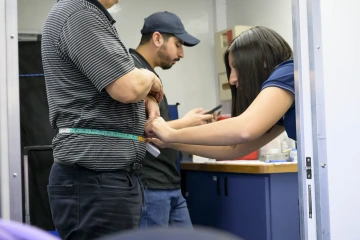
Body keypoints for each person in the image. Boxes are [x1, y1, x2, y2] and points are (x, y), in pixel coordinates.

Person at [41, 0, 164, 239]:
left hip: (102, 180)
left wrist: (144, 90)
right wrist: (150, 77)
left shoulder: (83, 14)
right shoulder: (79, 13)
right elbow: (128, 88)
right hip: (96, 181)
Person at [145, 26, 296, 159]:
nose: (232, 79)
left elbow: (244, 129)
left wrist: (172, 134)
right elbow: (231, 149)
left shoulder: (288, 72)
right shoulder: (282, 108)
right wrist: (171, 142)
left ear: (263, 62)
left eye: (236, 67)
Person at [129, 11, 214, 228]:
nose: (182, 53)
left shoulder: (149, 74)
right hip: (150, 186)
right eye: (178, 44)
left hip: (169, 184)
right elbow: (140, 131)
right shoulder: (132, 73)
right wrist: (186, 122)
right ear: (157, 39)